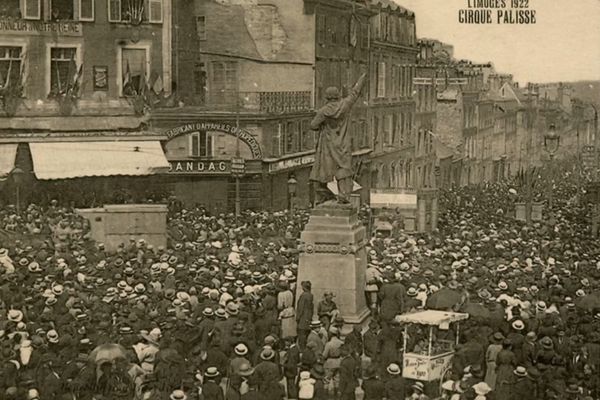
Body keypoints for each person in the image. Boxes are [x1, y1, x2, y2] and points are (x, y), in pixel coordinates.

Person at [309, 68, 367, 204]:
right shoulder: (345, 105)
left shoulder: (323, 111)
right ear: (338, 96)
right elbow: (355, 93)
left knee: (324, 168)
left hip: (328, 144)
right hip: (343, 143)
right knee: (343, 167)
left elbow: (313, 125)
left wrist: (324, 125)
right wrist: (363, 77)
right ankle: (343, 195)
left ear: (327, 97)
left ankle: (323, 194)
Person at [296, 281, 314, 350]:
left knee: (301, 335)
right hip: (308, 318)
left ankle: (302, 350)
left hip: (303, 318)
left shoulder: (303, 295)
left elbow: (300, 308)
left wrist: (298, 318)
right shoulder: (310, 295)